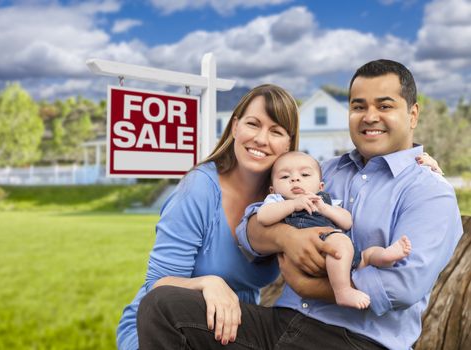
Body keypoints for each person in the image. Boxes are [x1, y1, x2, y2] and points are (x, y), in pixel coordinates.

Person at [137, 59, 462, 350]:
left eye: (385, 105)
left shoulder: (429, 191)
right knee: (164, 306)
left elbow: (401, 288)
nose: (369, 117)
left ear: (413, 114)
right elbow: (249, 232)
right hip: (280, 323)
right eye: (358, 106)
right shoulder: (323, 171)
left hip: (354, 340)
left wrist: (309, 285)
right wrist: (285, 238)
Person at [116, 84, 309, 350]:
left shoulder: (284, 200)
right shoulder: (200, 187)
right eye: (253, 124)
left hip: (233, 327)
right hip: (165, 326)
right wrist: (208, 283)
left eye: (276, 131)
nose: (261, 139)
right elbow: (157, 284)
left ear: (289, 142)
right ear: (235, 127)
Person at [257, 151, 412, 310]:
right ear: (273, 190)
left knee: (367, 255)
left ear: (320, 186)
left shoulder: (323, 200)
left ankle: (385, 256)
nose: (295, 179)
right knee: (340, 242)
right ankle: (342, 290)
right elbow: (263, 217)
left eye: (304, 174)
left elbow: (347, 221)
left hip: (340, 254)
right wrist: (293, 205)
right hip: (318, 250)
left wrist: (325, 209)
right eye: (284, 177)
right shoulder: (277, 201)